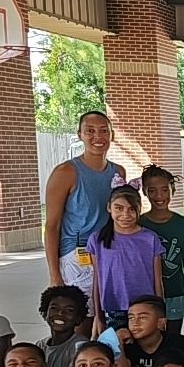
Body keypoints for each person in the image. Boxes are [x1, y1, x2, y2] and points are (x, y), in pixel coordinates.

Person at [42, 110, 124, 333]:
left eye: (103, 131)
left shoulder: (118, 172)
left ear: (112, 134)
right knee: (80, 323)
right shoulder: (66, 172)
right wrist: (54, 274)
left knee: (109, 320)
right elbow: (52, 226)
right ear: (80, 135)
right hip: (77, 258)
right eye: (90, 131)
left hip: (107, 253)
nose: (98, 137)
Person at [89, 185, 164, 335]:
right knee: (118, 352)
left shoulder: (150, 238)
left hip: (145, 308)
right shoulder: (98, 240)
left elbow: (158, 279)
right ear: (109, 207)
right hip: (112, 308)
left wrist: (161, 313)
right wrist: (98, 315)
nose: (125, 214)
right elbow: (97, 280)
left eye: (131, 209)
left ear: (139, 209)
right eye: (119, 208)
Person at [138, 165, 184, 336]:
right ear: (144, 191)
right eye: (153, 190)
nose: (159, 196)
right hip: (145, 294)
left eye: (164, 190)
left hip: (175, 292)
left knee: (172, 339)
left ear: (173, 189)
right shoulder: (138, 225)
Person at [112, 295, 184, 367]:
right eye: (131, 318)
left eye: (143, 318)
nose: (135, 323)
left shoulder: (177, 342)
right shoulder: (127, 344)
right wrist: (118, 341)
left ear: (161, 323)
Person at [36, 286, 89, 367]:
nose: (60, 313)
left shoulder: (80, 346)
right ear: (44, 313)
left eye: (69, 310)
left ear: (78, 318)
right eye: (54, 308)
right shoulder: (40, 345)